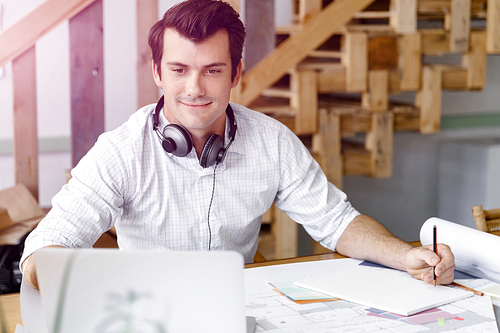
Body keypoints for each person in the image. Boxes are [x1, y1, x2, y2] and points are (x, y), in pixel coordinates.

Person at [21, 0, 455, 290]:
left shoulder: (271, 141)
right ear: (158, 73)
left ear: (236, 73)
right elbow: (41, 253)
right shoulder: (120, 151)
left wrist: (406, 255)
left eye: (212, 70)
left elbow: (338, 223)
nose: (193, 88)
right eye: (178, 69)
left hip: (236, 311)